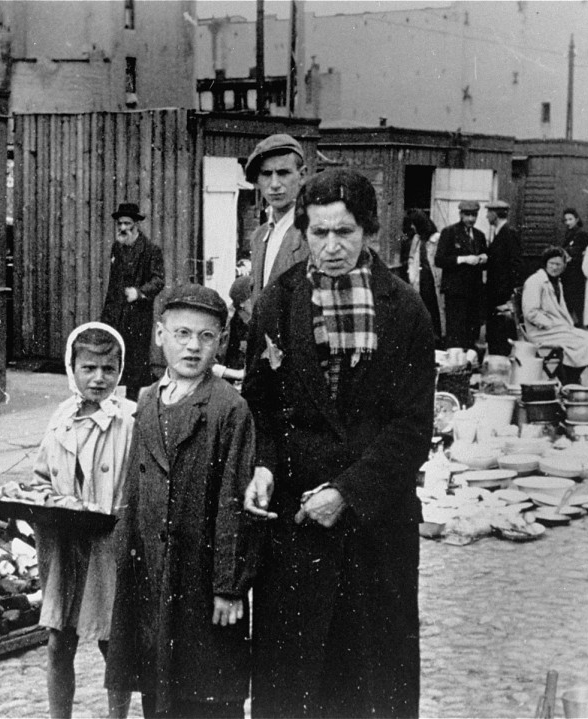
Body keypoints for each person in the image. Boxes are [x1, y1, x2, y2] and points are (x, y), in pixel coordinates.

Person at [243, 169, 434, 718]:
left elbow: (411, 427)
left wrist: (348, 493)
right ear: (303, 231)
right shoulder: (277, 304)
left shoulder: (405, 310)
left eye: (345, 233)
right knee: (295, 682)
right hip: (297, 527)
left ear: (369, 232)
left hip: (375, 529)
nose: (331, 247)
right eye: (319, 232)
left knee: (372, 683)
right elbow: (261, 405)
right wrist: (263, 466)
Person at [106, 284, 257, 719]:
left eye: (207, 336)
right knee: (160, 692)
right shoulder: (147, 400)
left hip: (203, 577)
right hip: (154, 574)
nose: (193, 346)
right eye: (182, 333)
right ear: (159, 335)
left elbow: (235, 503)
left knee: (208, 696)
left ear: (222, 342)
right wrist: (126, 560)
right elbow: (131, 492)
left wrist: (229, 586)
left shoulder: (230, 409)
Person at [28, 322, 135, 719]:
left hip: (107, 544)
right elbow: (41, 475)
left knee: (113, 642)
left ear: (120, 371)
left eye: (108, 369)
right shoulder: (61, 417)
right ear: (71, 368)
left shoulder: (129, 420)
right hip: (63, 543)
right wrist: (41, 500)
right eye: (88, 368)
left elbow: (138, 483)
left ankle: (117, 715)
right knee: (59, 640)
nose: (98, 378)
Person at [102, 202, 165, 400]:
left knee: (136, 364)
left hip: (138, 316)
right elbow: (113, 285)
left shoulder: (150, 250)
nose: (122, 228)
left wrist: (139, 293)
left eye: (127, 223)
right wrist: (106, 316)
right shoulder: (117, 248)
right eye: (119, 223)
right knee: (112, 357)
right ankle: (111, 401)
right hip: (116, 315)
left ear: (136, 224)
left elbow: (159, 280)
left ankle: (131, 404)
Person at [521, 246, 588, 375]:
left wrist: (563, 325)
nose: (555, 268)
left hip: (557, 329)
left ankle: (571, 376)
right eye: (551, 264)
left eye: (558, 264)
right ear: (545, 264)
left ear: (564, 266)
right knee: (583, 345)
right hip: (541, 332)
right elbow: (531, 312)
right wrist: (551, 324)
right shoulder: (535, 281)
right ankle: (569, 376)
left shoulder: (557, 282)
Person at [246, 133, 309, 303]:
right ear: (257, 181)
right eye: (266, 174)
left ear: (302, 176)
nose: (274, 184)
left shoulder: (312, 233)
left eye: (283, 173)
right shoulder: (260, 236)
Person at [435, 199, 487, 350]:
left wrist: (484, 258)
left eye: (474, 215)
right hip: (456, 291)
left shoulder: (479, 235)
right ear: (461, 214)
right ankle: (455, 363)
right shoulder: (449, 232)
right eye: (467, 215)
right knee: (455, 328)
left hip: (474, 291)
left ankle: (469, 359)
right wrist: (463, 259)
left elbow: (485, 260)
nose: (471, 219)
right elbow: (439, 260)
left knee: (471, 328)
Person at [484, 200, 524, 355]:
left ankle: (501, 360)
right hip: (496, 291)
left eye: (488, 213)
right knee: (496, 330)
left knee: (501, 330)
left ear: (495, 214)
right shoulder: (499, 233)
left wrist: (509, 293)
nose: (487, 216)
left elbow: (515, 264)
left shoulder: (508, 233)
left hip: (502, 293)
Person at [403, 209, 443, 343]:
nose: (412, 227)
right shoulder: (417, 238)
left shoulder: (436, 238)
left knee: (435, 308)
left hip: (433, 279)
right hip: (420, 279)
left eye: (414, 224)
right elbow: (412, 257)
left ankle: (438, 336)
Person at [560, 207, 588, 326]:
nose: (568, 222)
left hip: (577, 270)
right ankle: (571, 320)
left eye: (570, 219)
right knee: (569, 296)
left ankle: (580, 321)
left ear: (576, 219)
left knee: (577, 296)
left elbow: (583, 251)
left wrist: (571, 255)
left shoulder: (581, 234)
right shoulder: (569, 233)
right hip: (569, 271)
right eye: (566, 220)